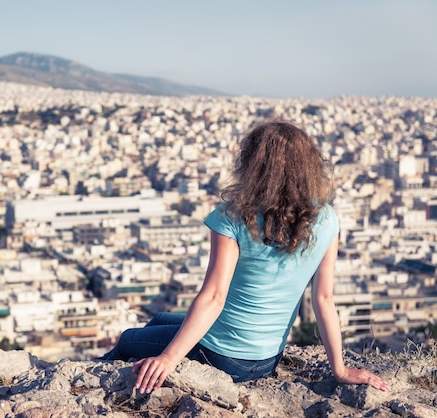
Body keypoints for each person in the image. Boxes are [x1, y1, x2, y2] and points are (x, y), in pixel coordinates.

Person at [100, 121, 388, 394]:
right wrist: (339, 370)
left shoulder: (235, 218)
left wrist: (169, 358)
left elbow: (214, 297)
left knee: (127, 340)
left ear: (253, 165)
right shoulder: (326, 218)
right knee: (161, 318)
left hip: (222, 357)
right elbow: (324, 298)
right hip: (267, 359)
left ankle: (101, 380)